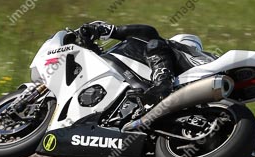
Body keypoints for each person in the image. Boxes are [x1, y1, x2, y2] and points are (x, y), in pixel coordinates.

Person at [75, 21, 203, 104]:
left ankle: (163, 84)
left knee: (155, 43)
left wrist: (109, 30)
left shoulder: (165, 46)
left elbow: (148, 32)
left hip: (176, 85)